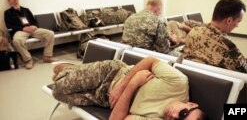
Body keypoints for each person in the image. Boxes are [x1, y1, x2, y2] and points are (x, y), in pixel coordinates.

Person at [52, 57, 206, 120]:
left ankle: (70, 71)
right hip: (111, 73)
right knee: (59, 85)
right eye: (183, 114)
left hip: (104, 100)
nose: (174, 117)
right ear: (191, 105)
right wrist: (125, 84)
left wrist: (133, 85)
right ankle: (68, 71)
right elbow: (150, 61)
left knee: (57, 92)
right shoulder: (178, 84)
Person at [183, 0, 247, 74]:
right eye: (238, 21)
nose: (237, 25)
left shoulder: (194, 31)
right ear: (229, 21)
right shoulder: (228, 47)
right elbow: (246, 73)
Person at [4, 0, 55, 69]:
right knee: (17, 40)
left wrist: (34, 26)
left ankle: (47, 57)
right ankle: (28, 60)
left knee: (50, 33)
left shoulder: (26, 10)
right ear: (9, 1)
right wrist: (22, 28)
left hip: (32, 29)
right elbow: (9, 26)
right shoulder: (7, 12)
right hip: (20, 31)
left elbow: (34, 21)